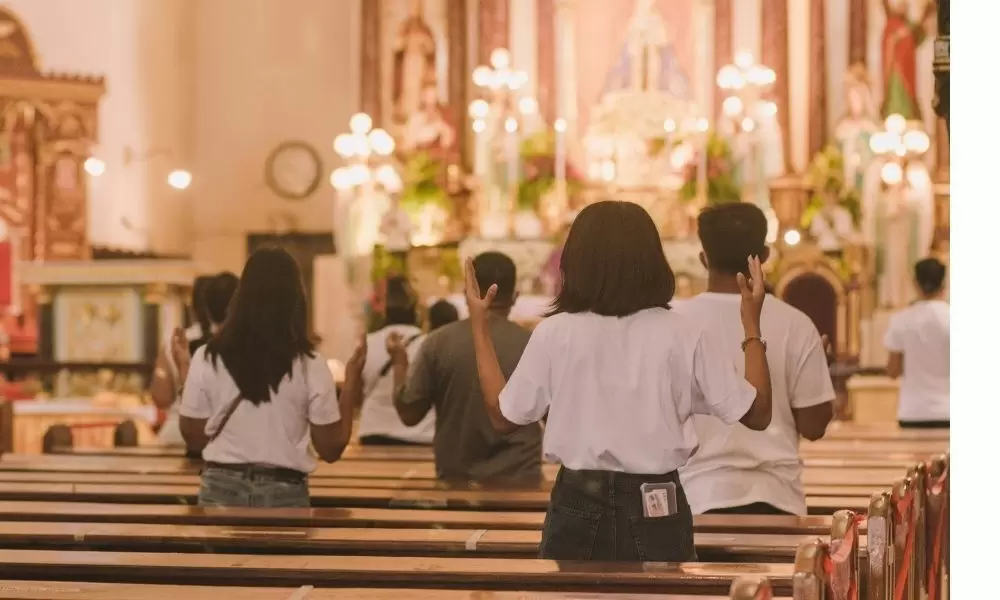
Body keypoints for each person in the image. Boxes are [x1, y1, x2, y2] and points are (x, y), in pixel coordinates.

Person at [463, 200, 773, 561]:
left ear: (575, 260)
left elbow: (503, 418)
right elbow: (758, 414)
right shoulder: (684, 333)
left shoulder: (555, 333)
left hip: (577, 499)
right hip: (657, 502)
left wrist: (479, 326)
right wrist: (752, 323)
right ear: (653, 260)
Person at [675, 203, 835, 517]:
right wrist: (819, 374)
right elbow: (814, 427)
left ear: (703, 258)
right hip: (778, 499)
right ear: (764, 255)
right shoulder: (796, 323)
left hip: (695, 500)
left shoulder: (674, 323)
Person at [175, 248, 366, 508]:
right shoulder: (310, 363)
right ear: (296, 300)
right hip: (284, 493)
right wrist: (352, 381)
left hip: (221, 490)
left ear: (241, 297)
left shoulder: (208, 356)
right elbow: (330, 449)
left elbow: (194, 437)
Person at [388, 252, 543, 484]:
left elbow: (409, 414)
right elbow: (559, 417)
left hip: (457, 481)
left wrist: (399, 365)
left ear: (467, 293)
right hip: (522, 479)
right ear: (515, 296)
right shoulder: (534, 344)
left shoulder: (438, 342)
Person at [357, 277, 435, 446]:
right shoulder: (428, 343)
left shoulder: (367, 344)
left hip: (373, 432)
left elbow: (357, 393)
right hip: (420, 433)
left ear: (383, 309)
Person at [884, 257, 949, 428]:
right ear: (944, 284)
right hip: (949, 411)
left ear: (915, 283)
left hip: (913, 412)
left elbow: (892, 371)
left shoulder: (900, 320)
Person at [150, 274, 213, 446]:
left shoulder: (177, 341)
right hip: (218, 435)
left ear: (193, 307)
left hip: (177, 432)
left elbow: (161, 397)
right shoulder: (234, 342)